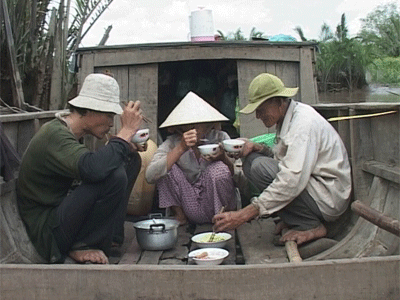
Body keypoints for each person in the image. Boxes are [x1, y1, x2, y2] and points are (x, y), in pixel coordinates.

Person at [17, 73, 146, 264]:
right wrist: (125, 132)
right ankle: (82, 245)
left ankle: (112, 239)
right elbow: (92, 169)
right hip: (48, 231)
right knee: (113, 175)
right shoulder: (54, 135)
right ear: (89, 110)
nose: (111, 122)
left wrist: (125, 146)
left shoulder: (73, 134)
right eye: (108, 115)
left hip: (61, 214)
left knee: (129, 160)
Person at [213, 73, 352, 245]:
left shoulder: (303, 124)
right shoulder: (287, 118)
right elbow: (284, 161)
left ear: (279, 102)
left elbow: (291, 179)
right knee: (251, 160)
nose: (258, 116)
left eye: (261, 110)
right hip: (312, 188)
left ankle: (311, 225)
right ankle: (297, 219)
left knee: (259, 168)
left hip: (328, 197)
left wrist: (245, 213)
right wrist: (259, 148)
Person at [145, 91, 237, 225]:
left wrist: (223, 158)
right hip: (191, 206)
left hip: (220, 206)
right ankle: (180, 216)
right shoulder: (172, 143)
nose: (194, 129)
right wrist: (181, 148)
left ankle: (225, 219)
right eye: (189, 125)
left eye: (199, 124)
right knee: (166, 166)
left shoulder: (221, 138)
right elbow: (150, 175)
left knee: (218, 169)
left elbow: (237, 175)